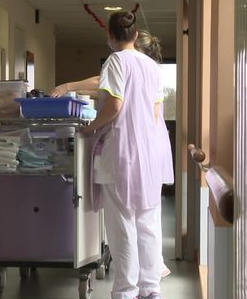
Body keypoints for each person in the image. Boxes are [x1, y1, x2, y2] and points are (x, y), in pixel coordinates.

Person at [52, 29, 174, 278]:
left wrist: (70, 91)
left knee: (125, 221)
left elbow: (105, 89)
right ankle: (150, 286)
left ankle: (127, 294)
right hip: (149, 151)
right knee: (146, 217)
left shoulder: (124, 63)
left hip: (128, 151)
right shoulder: (150, 70)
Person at [83, 12, 171, 299]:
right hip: (149, 154)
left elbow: (114, 106)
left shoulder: (116, 61)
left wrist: (90, 127)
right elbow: (156, 114)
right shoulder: (151, 66)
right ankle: (151, 293)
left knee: (122, 225)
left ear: (111, 35)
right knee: (148, 223)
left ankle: (124, 298)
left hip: (122, 152)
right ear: (135, 35)